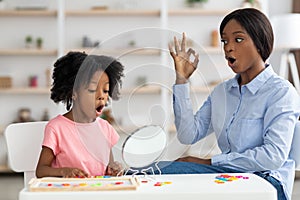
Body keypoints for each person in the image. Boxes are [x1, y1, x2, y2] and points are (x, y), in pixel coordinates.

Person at [157, 8, 300, 200]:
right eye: (225, 41)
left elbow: (273, 156)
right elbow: (187, 135)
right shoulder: (221, 92)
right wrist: (182, 80)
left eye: (238, 39)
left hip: (267, 182)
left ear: (260, 43)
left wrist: (209, 163)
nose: (228, 48)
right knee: (156, 172)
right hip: (229, 177)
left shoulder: (281, 92)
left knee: (173, 172)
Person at [36, 51, 125, 178]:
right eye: (92, 90)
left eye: (105, 91)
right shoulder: (56, 128)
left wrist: (114, 169)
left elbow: (107, 169)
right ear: (74, 92)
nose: (101, 96)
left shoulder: (105, 128)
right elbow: (41, 171)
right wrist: (64, 171)